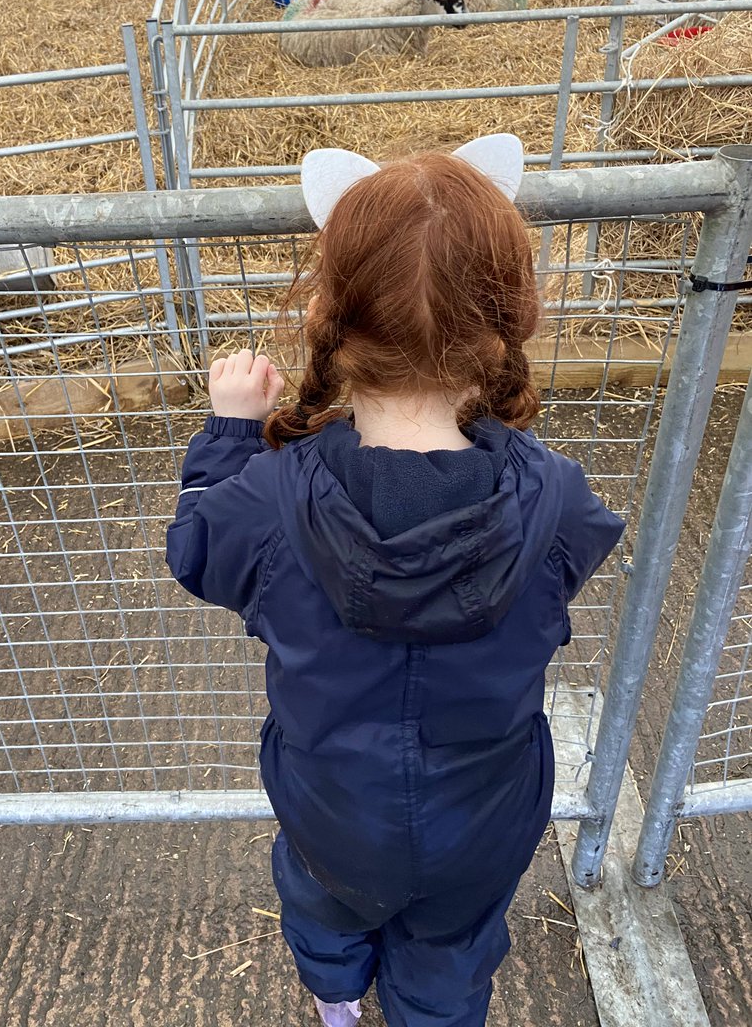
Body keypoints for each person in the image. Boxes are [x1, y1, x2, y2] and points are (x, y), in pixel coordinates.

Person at [166, 135, 624, 1027]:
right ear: (512, 312)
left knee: (325, 909)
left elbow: (197, 555)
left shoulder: (265, 497)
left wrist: (230, 436)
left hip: (331, 806)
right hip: (486, 815)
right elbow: (569, 566)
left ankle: (337, 1003)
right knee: (452, 947)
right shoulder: (555, 497)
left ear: (330, 313)